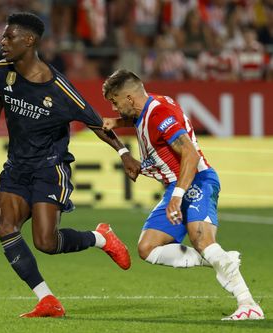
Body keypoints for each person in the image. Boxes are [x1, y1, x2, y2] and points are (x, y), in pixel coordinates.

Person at [0, 13, 140, 318]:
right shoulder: (2, 71)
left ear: (29, 41)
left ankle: (101, 237)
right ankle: (47, 299)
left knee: (46, 243)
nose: (2, 42)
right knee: (4, 227)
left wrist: (123, 152)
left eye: (9, 37)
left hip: (50, 168)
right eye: (4, 37)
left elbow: (96, 123)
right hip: (17, 167)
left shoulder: (59, 89)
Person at [101, 69, 265, 321]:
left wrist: (178, 195)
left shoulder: (160, 113)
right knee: (148, 248)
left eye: (115, 101)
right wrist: (118, 123)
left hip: (196, 180)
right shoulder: (152, 104)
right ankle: (219, 260)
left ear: (130, 98)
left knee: (202, 241)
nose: (114, 108)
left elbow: (190, 154)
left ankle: (248, 304)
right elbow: (141, 120)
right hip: (176, 186)